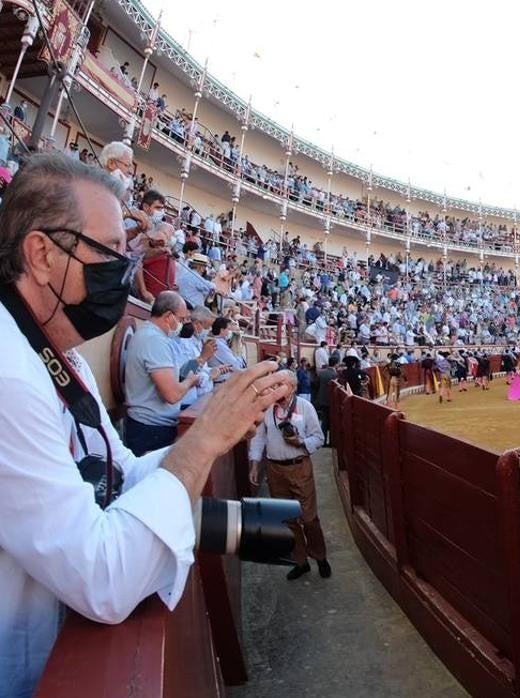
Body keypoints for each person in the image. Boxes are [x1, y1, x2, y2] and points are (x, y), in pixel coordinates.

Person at [0, 153, 293, 696]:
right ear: (41, 253)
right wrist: (202, 438)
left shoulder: (60, 360)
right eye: (109, 252)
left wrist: (220, 433)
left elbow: (120, 473)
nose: (124, 270)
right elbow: (102, 577)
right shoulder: (9, 371)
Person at [248, 372, 330, 581]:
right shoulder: (268, 407)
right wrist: (255, 464)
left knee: (309, 519)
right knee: (286, 519)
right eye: (276, 385)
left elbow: (318, 438)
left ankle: (320, 557)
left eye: (282, 385)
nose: (278, 390)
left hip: (299, 467)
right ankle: (301, 562)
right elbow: (259, 438)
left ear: (293, 387)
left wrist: (300, 442)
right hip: (274, 469)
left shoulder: (304, 406)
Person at [123, 291, 216, 455]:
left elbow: (178, 374)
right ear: (168, 316)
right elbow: (172, 394)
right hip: (151, 428)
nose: (182, 324)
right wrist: (191, 381)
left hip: (156, 423)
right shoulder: (154, 340)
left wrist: (200, 360)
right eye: (181, 319)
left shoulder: (159, 338)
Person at [313, 355, 339, 447]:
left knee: (324, 422)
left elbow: (316, 385)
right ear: (336, 364)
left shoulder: (322, 373)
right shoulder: (335, 374)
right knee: (332, 422)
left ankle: (323, 441)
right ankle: (331, 441)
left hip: (322, 400)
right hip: (331, 401)